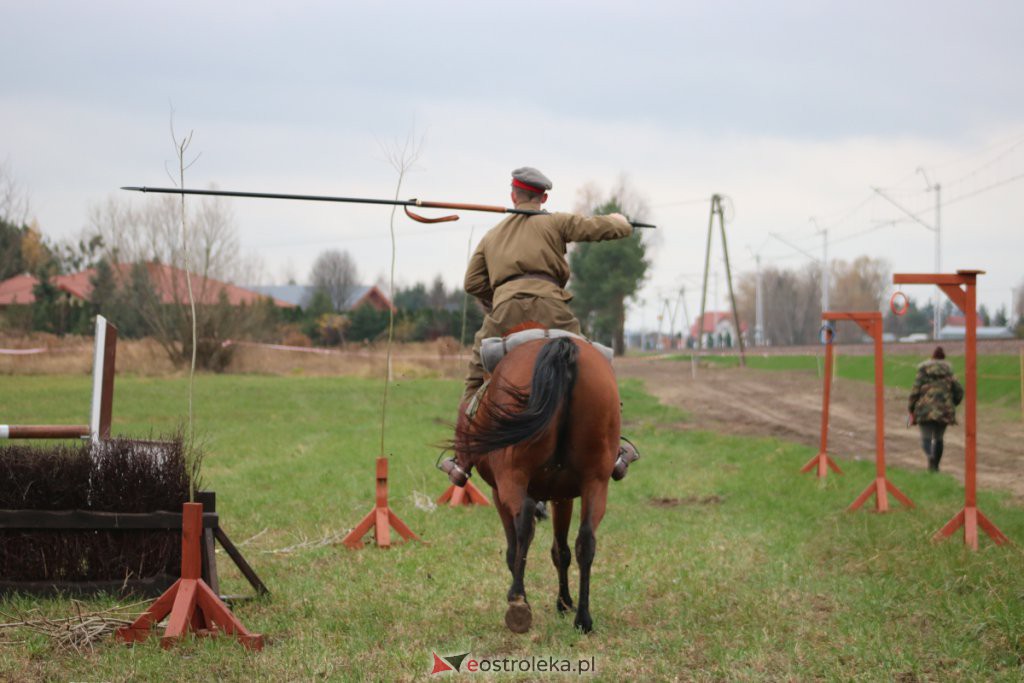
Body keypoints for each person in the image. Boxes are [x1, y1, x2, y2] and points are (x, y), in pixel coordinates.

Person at [440, 166, 640, 486]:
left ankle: (462, 459)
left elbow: (473, 282)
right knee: (594, 364)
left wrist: (499, 298)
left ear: (513, 195)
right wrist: (621, 223)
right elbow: (597, 228)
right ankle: (614, 448)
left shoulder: (492, 236)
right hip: (552, 310)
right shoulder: (555, 222)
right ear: (543, 197)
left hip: (504, 312)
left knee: (476, 376)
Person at [908, 346, 964, 472]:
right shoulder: (949, 373)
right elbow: (959, 391)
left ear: (932, 357)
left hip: (925, 409)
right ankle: (935, 467)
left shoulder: (923, 370)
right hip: (944, 410)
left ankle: (930, 456)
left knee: (926, 438)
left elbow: (915, 391)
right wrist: (953, 403)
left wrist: (911, 408)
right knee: (939, 438)